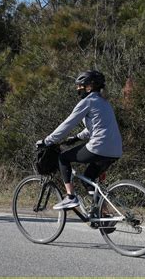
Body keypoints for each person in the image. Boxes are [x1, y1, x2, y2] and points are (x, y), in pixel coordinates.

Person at [36, 70, 122, 210]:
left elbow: (68, 124)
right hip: (116, 150)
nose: (78, 89)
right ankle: (105, 215)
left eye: (79, 86)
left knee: (63, 158)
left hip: (99, 147)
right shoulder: (105, 103)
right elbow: (94, 128)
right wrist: (75, 138)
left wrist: (48, 141)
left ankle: (70, 197)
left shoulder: (87, 101)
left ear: (89, 87)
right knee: (89, 178)